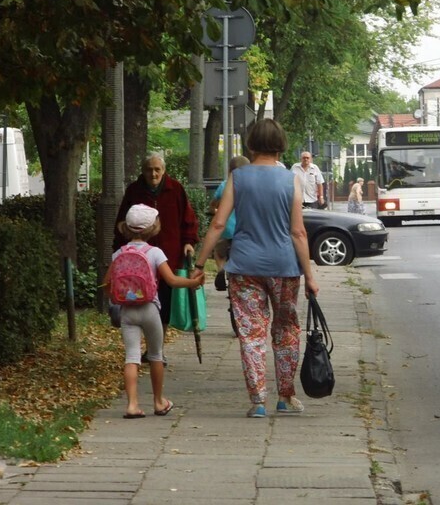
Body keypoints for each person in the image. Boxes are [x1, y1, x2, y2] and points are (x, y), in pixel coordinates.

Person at [193, 119, 319, 418]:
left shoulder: (238, 177)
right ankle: (285, 397)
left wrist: (200, 263)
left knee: (251, 333)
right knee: (286, 330)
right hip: (284, 267)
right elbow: (298, 233)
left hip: (244, 266)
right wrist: (310, 275)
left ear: (250, 144)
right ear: (281, 145)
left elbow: (219, 223)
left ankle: (258, 401)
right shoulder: (292, 181)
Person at [105, 204, 204, 419]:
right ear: (153, 228)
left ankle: (132, 404)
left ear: (126, 228)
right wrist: (192, 282)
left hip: (127, 311)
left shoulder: (118, 254)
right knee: (156, 355)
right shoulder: (155, 253)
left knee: (131, 357)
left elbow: (107, 283)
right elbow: (171, 280)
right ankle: (159, 402)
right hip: (150, 309)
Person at [113, 152, 199, 360]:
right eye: (149, 169)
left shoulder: (175, 188)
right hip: (138, 259)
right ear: (143, 171)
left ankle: (157, 349)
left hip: (167, 255)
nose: (153, 174)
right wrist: (119, 252)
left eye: (157, 169)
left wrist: (188, 241)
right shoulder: (134, 190)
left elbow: (188, 218)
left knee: (164, 302)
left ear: (164, 170)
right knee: (142, 300)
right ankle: (147, 346)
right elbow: (122, 222)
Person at [210, 155, 251, 291]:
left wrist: (214, 210)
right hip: (243, 231)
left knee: (218, 252)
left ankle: (221, 269)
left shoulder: (224, 185)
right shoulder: (250, 187)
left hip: (226, 229)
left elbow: (213, 204)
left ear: (230, 170)